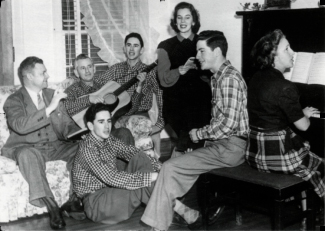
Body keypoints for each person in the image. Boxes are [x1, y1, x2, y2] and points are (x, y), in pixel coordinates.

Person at [141, 30, 249, 231]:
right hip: (221, 146)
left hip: (230, 149)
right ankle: (171, 220)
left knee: (169, 167)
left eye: (201, 51)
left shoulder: (229, 79)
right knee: (170, 167)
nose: (197, 56)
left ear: (216, 51)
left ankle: (159, 226)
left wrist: (199, 134)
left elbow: (229, 125)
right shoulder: (218, 77)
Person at [1, 56, 85, 230]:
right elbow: (19, 126)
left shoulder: (51, 94)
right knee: (28, 155)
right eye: (43, 72)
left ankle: (72, 199)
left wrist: (81, 132)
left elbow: (66, 126)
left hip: (55, 146)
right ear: (29, 77)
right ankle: (52, 206)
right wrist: (49, 108)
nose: (48, 76)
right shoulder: (14, 100)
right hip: (27, 147)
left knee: (83, 147)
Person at [246, 29, 325, 200]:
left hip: (254, 154)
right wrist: (303, 116)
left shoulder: (255, 78)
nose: (293, 52)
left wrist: (297, 112)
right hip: (279, 158)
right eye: (287, 49)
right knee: (322, 164)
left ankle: (302, 203)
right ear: (273, 57)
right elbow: (304, 126)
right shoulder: (285, 86)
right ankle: (314, 210)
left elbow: (272, 112)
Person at [71, 103, 162, 224]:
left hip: (111, 192)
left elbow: (131, 151)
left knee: (140, 157)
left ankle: (167, 210)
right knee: (144, 182)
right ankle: (170, 209)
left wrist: (160, 167)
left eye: (108, 121)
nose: (107, 126)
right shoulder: (87, 149)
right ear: (90, 125)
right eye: (101, 122)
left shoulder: (108, 140)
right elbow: (111, 177)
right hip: (97, 203)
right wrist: (152, 176)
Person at [157, 2, 211, 153]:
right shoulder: (165, 46)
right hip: (176, 102)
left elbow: (214, 72)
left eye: (187, 17)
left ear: (193, 21)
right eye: (179, 18)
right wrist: (179, 71)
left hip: (201, 100)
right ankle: (181, 162)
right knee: (185, 140)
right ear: (175, 21)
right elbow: (163, 78)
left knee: (197, 142)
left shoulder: (204, 42)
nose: (183, 21)